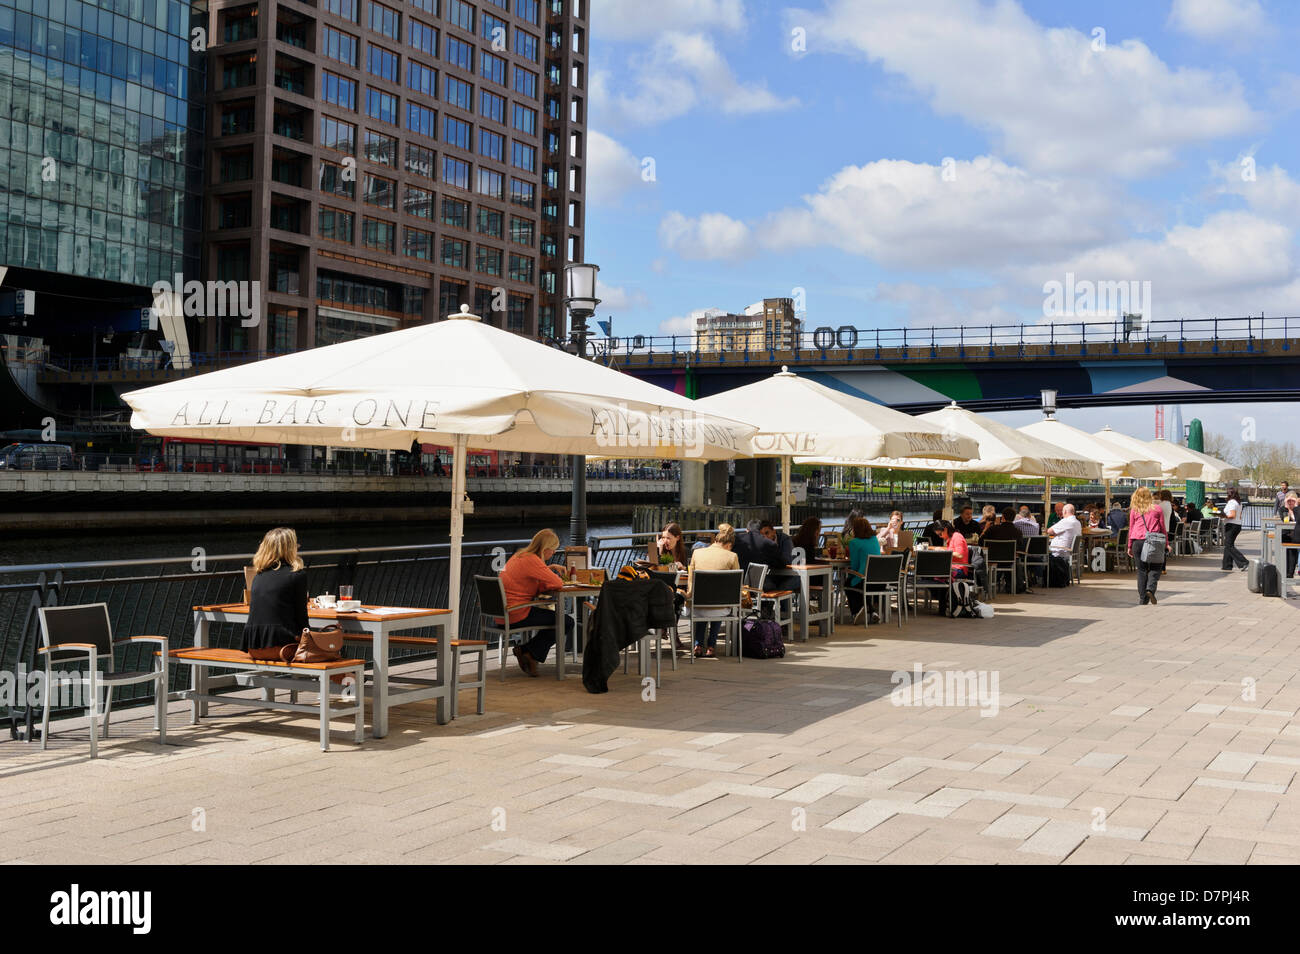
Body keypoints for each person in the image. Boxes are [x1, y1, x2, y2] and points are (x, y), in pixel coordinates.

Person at [500, 529, 572, 677]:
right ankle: (529, 652)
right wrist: (549, 571)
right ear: (545, 549)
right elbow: (558, 582)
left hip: (501, 613)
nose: (553, 553)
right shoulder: (532, 560)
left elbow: (530, 581)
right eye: (553, 550)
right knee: (566, 621)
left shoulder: (519, 555)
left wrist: (548, 568)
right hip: (516, 613)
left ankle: (528, 651)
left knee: (556, 619)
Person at [243, 527, 309, 658]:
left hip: (253, 648)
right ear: (290, 549)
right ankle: (353, 678)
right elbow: (302, 617)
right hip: (282, 648)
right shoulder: (297, 575)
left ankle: (351, 678)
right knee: (329, 650)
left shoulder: (259, 575)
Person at [684, 522, 740, 658]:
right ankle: (711, 646)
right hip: (720, 607)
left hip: (698, 606)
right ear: (729, 545)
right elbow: (736, 585)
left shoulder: (697, 553)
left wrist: (689, 598)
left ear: (715, 540)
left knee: (704, 605)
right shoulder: (732, 556)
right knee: (718, 603)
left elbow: (690, 581)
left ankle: (697, 645)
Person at [1128, 487, 1168, 605]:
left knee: (1141, 570)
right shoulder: (1157, 509)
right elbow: (1162, 528)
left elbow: (1131, 528)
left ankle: (1142, 599)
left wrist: (1129, 546)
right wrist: (1166, 543)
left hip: (1137, 542)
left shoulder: (1135, 510)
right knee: (1156, 566)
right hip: (1153, 541)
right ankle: (1150, 588)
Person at [844, 516, 881, 625]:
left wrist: (849, 574)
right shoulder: (875, 540)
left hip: (865, 581)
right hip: (879, 581)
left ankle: (856, 612)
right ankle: (872, 612)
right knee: (858, 584)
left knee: (848, 584)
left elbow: (855, 566)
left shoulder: (854, 542)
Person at [1220, 488, 1249, 572]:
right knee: (1228, 545)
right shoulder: (1239, 503)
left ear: (1229, 494)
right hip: (1237, 525)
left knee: (1229, 545)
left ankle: (1244, 562)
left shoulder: (1232, 502)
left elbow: (1232, 515)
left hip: (1231, 525)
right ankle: (1227, 565)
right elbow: (1239, 516)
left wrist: (1222, 516)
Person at [1281, 493, 1300, 578]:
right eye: (1288, 500)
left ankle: (1290, 572)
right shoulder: (1283, 509)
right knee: (1287, 547)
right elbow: (1285, 520)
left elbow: (1298, 519)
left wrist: (1295, 507)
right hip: (1287, 533)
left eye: (1293, 500)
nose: (1290, 502)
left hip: (1297, 535)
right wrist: (1287, 508)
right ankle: (1286, 572)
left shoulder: (1298, 509)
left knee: (1293, 551)